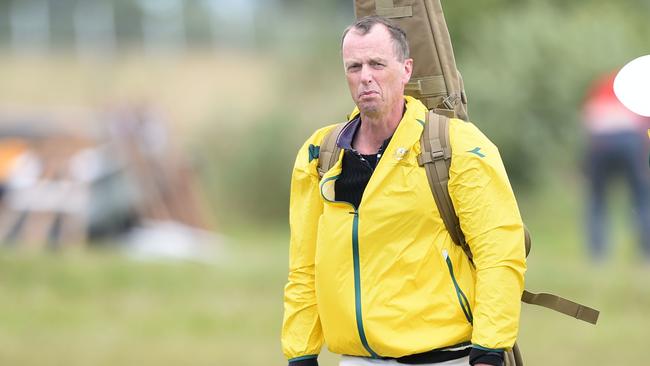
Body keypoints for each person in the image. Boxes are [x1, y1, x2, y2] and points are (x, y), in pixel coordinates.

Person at [282, 16, 526, 366]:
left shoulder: (456, 145)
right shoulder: (319, 153)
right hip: (356, 359)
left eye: (377, 64)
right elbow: (303, 267)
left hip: (446, 359)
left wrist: (488, 351)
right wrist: (301, 353)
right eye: (354, 66)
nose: (365, 76)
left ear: (406, 69)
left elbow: (500, 252)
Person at [582, 71, 650, 261]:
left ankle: (597, 255)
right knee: (642, 197)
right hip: (630, 139)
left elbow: (587, 121)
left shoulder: (600, 86)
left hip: (599, 141)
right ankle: (646, 253)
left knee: (597, 199)